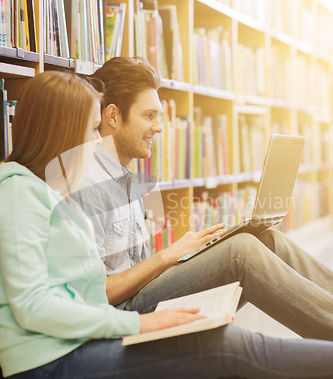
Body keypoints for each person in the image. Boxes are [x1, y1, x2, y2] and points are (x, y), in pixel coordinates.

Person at [3, 70, 333, 379]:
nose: (97, 139)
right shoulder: (21, 192)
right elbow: (39, 304)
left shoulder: (55, 190)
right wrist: (141, 322)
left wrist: (178, 259)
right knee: (221, 345)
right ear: (62, 133)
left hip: (80, 342)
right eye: (90, 130)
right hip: (54, 363)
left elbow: (79, 290)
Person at [73, 56, 333, 343]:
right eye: (148, 116)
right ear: (112, 116)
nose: (159, 127)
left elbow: (137, 268)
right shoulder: (87, 184)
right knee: (241, 251)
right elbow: (96, 294)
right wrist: (166, 257)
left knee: (267, 240)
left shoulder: (128, 176)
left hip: (145, 293)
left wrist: (188, 258)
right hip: (126, 316)